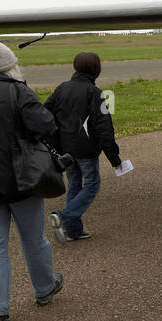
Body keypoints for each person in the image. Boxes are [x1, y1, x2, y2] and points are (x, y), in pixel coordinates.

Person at [0, 40, 64, 321]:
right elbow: (46, 125)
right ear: (8, 64)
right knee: (34, 239)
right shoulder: (18, 90)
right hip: (25, 180)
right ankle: (44, 288)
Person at [45, 52, 122, 243]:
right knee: (92, 184)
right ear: (96, 69)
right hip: (86, 151)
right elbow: (105, 129)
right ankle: (64, 216)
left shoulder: (62, 88)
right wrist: (114, 158)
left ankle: (73, 231)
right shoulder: (97, 94)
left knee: (74, 185)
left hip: (65, 150)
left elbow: (45, 113)